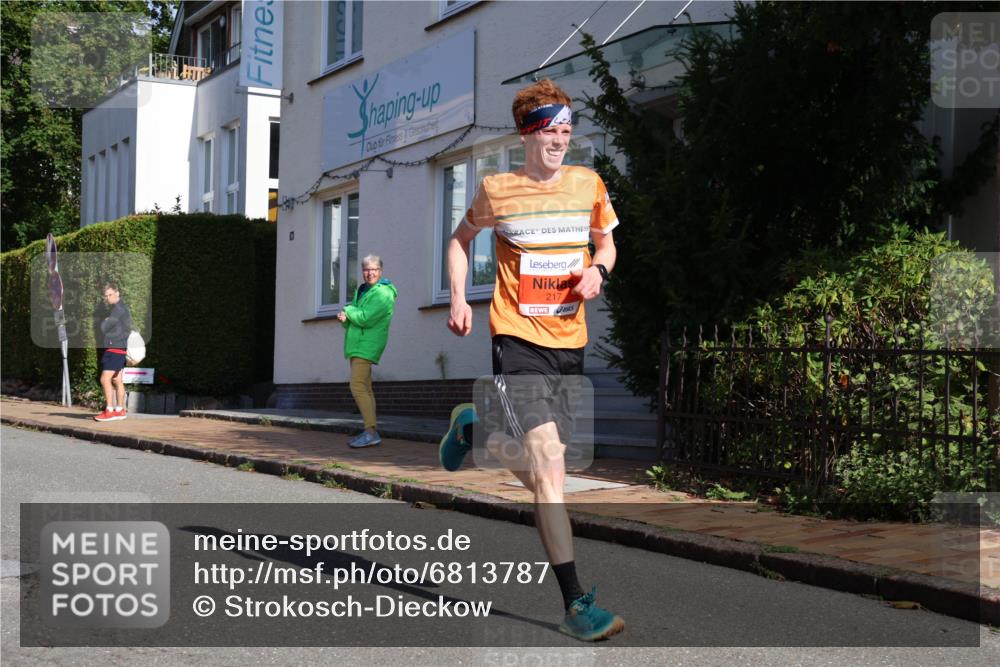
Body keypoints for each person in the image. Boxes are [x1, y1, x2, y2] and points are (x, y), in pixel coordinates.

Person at [439, 79, 623, 641]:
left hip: (570, 342)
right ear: (528, 133)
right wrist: (455, 295)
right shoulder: (497, 190)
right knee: (549, 470)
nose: (561, 141)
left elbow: (608, 242)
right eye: (551, 131)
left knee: (550, 474)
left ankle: (477, 439)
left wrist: (599, 269)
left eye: (567, 130)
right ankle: (576, 604)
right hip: (516, 338)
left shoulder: (588, 183)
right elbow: (458, 240)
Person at [337, 255, 398, 448]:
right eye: (366, 269)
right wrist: (345, 319)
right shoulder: (363, 290)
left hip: (367, 345)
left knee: (356, 385)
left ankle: (371, 432)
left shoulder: (383, 293)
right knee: (366, 387)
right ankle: (371, 430)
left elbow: (365, 318)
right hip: (357, 343)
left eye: (374, 269)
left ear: (381, 271)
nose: (370, 273)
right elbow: (355, 320)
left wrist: (347, 310)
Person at [94, 282, 132, 422]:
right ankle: (120, 410)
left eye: (110, 295)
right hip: (120, 348)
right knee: (117, 379)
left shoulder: (118, 309)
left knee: (105, 379)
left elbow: (104, 327)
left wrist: (104, 321)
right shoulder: (121, 308)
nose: (108, 298)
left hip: (114, 348)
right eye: (106, 296)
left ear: (117, 293)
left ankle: (109, 410)